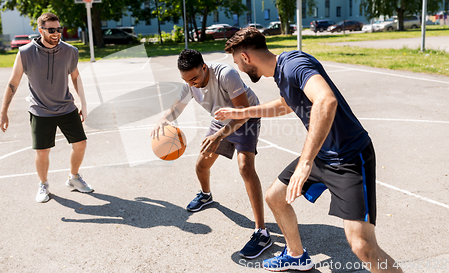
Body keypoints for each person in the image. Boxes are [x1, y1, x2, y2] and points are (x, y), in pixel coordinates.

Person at [215, 27, 403, 272]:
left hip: (349, 158)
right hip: (322, 155)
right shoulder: (281, 74)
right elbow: (285, 105)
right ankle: (296, 255)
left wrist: (305, 162)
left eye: (236, 62)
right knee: (275, 197)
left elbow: (326, 100)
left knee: (362, 247)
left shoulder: (294, 64)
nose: (238, 68)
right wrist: (242, 112)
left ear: (246, 58)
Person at [151, 49, 272, 259]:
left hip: (246, 116)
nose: (191, 83)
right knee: (201, 165)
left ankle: (262, 232)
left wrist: (218, 136)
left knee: (245, 167)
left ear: (204, 67)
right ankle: (206, 196)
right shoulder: (190, 83)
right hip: (221, 119)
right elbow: (177, 108)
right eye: (186, 80)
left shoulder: (226, 74)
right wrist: (164, 119)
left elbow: (242, 111)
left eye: (194, 78)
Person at [0, 13, 94, 203]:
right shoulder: (25, 53)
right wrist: (3, 112)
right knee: (42, 151)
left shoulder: (70, 51)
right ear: (41, 30)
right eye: (51, 30)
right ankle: (43, 184)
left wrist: (83, 103)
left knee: (80, 144)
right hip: (40, 110)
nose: (57, 33)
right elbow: (13, 82)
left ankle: (74, 178)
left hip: (66, 107)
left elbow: (75, 77)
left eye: (59, 29)